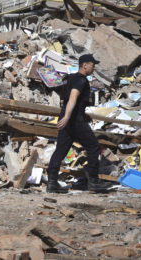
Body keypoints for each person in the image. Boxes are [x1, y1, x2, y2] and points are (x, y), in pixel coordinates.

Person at [47, 54, 111, 193]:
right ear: (85, 65)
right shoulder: (80, 81)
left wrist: (66, 116)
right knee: (93, 147)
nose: (93, 68)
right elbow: (73, 98)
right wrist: (68, 117)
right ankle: (93, 181)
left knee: (61, 150)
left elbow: (65, 96)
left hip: (68, 116)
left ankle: (51, 183)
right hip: (74, 119)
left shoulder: (69, 79)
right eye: (92, 65)